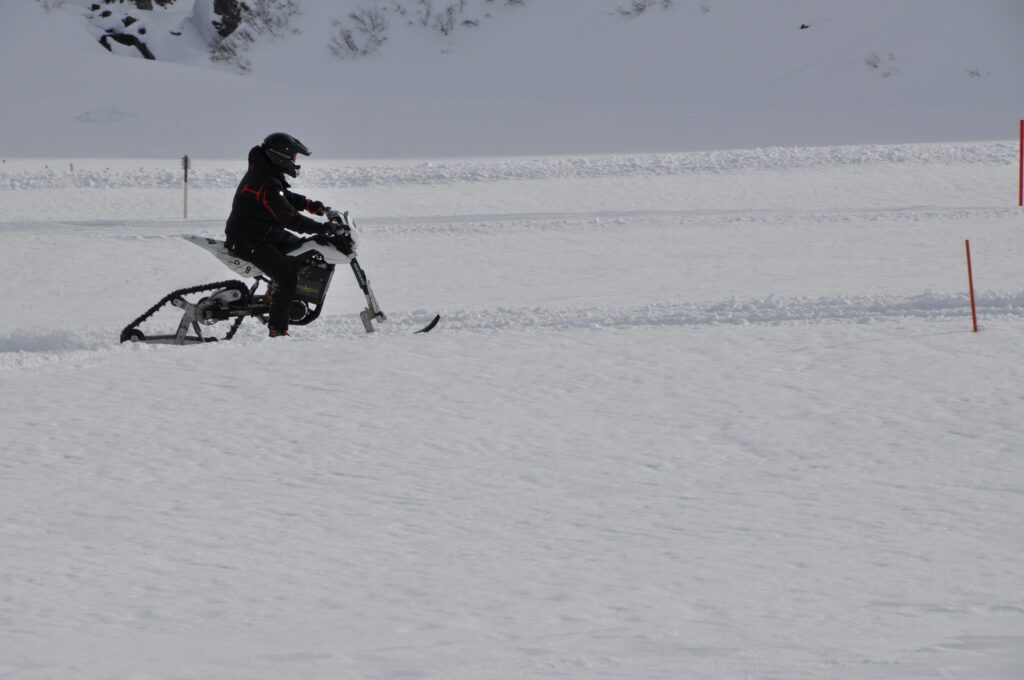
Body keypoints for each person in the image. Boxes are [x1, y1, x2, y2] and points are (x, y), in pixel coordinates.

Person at [224, 132, 331, 337]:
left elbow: (286, 197)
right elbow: (290, 219)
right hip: (249, 240)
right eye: (293, 157)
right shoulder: (266, 182)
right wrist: (322, 228)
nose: (294, 162)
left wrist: (312, 206)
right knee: (288, 278)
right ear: (280, 156)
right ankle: (278, 330)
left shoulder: (267, 174)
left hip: (264, 233)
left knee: (302, 250)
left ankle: (273, 298)